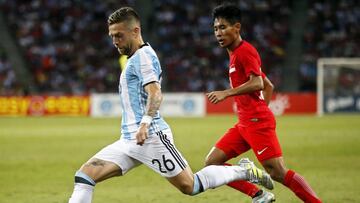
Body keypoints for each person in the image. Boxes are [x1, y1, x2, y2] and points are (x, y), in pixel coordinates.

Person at [68, 7, 274, 203]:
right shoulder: (133, 58)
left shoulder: (144, 57)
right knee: (85, 176)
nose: (114, 41)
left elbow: (155, 93)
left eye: (119, 35)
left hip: (151, 138)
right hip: (128, 141)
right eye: (112, 36)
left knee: (190, 185)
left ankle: (244, 171)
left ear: (135, 31)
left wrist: (145, 123)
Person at [205, 4, 322, 203]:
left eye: (223, 27)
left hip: (255, 121)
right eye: (216, 29)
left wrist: (228, 94)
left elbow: (258, 83)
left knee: (277, 172)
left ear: (237, 27)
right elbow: (269, 85)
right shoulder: (234, 55)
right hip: (246, 122)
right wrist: (260, 110)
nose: (218, 33)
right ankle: (258, 194)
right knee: (212, 163)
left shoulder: (244, 51)